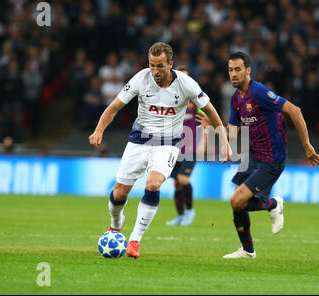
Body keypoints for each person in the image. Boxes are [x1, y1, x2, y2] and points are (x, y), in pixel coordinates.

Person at [89, 42, 231, 259]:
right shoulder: (140, 78)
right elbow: (114, 107)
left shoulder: (186, 84)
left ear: (170, 64)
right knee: (119, 193)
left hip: (168, 143)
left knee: (153, 184)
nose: (155, 71)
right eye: (152, 65)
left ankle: (135, 240)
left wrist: (225, 143)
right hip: (139, 141)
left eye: (160, 66)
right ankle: (116, 224)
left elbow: (210, 110)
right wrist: (99, 130)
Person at [222, 52, 319, 259]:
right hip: (252, 157)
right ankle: (248, 250)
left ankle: (274, 204)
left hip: (271, 159)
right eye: (230, 70)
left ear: (248, 70)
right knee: (238, 204)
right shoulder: (236, 99)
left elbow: (295, 110)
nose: (233, 74)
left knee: (237, 201)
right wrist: (223, 142)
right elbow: (233, 131)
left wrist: (307, 145)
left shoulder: (259, 92)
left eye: (238, 69)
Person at [166, 65, 205, 227]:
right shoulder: (169, 98)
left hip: (190, 147)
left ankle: (190, 211)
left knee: (183, 178)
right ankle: (180, 216)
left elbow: (205, 121)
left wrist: (202, 143)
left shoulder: (196, 98)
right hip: (174, 147)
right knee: (176, 182)